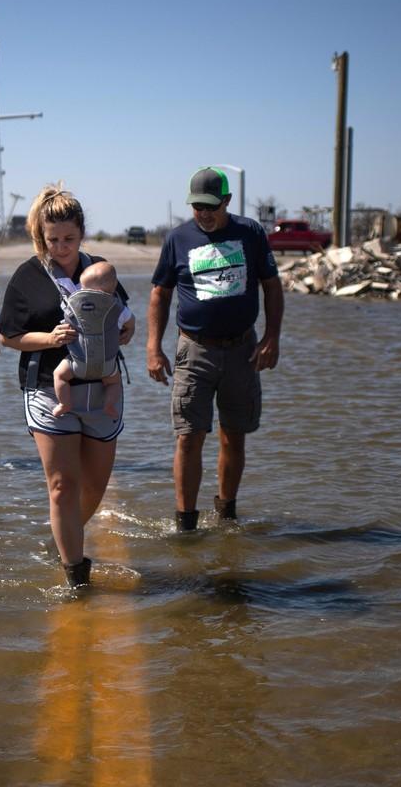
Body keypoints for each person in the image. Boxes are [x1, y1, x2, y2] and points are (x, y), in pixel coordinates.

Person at [0, 183, 134, 588]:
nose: (61, 247)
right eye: (53, 239)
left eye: (69, 239)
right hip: (48, 387)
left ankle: (63, 535)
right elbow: (8, 336)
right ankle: (76, 573)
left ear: (82, 233)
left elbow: (124, 316)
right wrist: (50, 339)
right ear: (42, 235)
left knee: (93, 486)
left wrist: (128, 331)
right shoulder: (27, 276)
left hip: (102, 386)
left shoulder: (100, 269)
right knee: (61, 486)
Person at [146, 167, 284, 531]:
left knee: (233, 435)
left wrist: (272, 338)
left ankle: (226, 515)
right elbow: (160, 293)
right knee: (189, 437)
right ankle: (186, 523)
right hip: (194, 351)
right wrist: (153, 348)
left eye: (210, 206)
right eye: (196, 207)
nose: (203, 214)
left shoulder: (250, 233)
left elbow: (271, 286)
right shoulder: (178, 238)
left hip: (243, 350)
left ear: (226, 201)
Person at [51, 260, 133, 419]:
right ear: (114, 285)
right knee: (114, 383)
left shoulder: (74, 307)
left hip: (78, 363)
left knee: (59, 375)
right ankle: (109, 405)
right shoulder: (118, 308)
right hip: (107, 365)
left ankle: (64, 403)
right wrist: (131, 328)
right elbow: (130, 321)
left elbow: (65, 323)